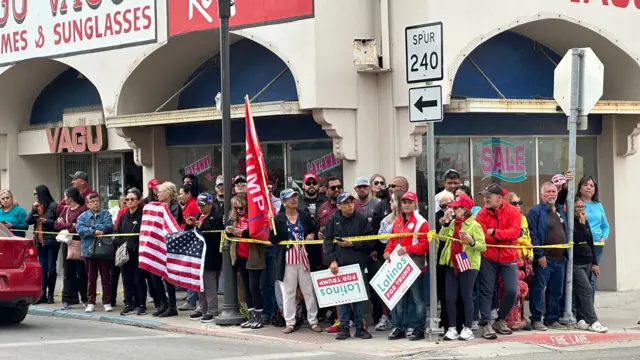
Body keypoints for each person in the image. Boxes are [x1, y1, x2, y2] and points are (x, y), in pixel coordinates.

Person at [270, 189, 322, 334]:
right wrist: (270, 225)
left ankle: (313, 321)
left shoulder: (304, 215)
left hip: (304, 257)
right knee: (288, 292)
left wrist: (311, 235)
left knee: (308, 291)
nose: (294, 200)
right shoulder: (278, 219)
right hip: (286, 259)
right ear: (283, 202)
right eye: (290, 198)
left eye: (295, 197)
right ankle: (290, 322)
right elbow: (273, 240)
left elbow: (313, 229)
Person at [323, 192, 374, 340]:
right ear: (338, 205)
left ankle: (360, 328)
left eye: (351, 202)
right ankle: (344, 327)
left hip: (358, 264)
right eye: (345, 203)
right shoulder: (333, 219)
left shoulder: (361, 218)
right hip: (341, 264)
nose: (349, 205)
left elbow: (370, 241)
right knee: (343, 299)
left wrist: (353, 243)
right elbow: (327, 241)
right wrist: (332, 260)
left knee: (359, 299)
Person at [474, 183, 522, 340]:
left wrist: (494, 232)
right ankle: (485, 323)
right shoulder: (481, 214)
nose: (486, 199)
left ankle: (500, 319)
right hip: (488, 257)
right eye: (485, 196)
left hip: (508, 257)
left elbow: (514, 233)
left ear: (500, 198)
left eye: (489, 196)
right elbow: (482, 236)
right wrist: (502, 236)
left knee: (512, 291)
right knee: (487, 290)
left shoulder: (513, 212)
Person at [438, 194, 486, 341]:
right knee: (450, 297)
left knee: (466, 296)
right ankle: (452, 327)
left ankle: (468, 327)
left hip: (468, 264)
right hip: (452, 263)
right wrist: (445, 223)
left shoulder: (475, 225)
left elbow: (482, 246)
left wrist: (471, 241)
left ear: (464, 209)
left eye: (456, 208)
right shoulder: (452, 223)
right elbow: (442, 238)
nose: (452, 210)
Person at [385, 192, 429, 341]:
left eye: (409, 202)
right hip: (399, 265)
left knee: (417, 299)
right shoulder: (398, 220)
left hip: (414, 265)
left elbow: (424, 246)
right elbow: (392, 240)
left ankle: (419, 328)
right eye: (404, 202)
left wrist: (408, 249)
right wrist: (387, 252)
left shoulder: (421, 222)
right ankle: (399, 327)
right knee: (398, 298)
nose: (406, 204)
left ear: (415, 204)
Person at [527, 182, 569, 331]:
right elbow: (532, 234)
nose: (551, 194)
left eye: (553, 191)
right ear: (541, 195)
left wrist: (565, 185)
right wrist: (540, 255)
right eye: (548, 192)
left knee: (556, 290)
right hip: (544, 259)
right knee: (538, 289)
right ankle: (536, 319)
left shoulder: (559, 210)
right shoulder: (535, 211)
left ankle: (551, 319)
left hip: (560, 259)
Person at [226, 194, 267, 329]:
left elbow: (254, 233)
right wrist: (229, 231)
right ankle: (251, 316)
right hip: (240, 256)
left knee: (254, 287)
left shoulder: (253, 218)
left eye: (241, 207)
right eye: (236, 207)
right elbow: (230, 234)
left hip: (253, 256)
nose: (238, 210)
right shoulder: (235, 218)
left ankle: (259, 317)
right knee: (246, 287)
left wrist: (239, 231)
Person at [186, 193, 224, 323]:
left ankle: (212, 310)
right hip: (199, 255)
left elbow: (216, 235)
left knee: (209, 283)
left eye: (203, 206)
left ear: (209, 204)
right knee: (200, 284)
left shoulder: (217, 217)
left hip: (211, 255)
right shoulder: (198, 215)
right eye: (198, 205)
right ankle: (202, 307)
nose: (200, 208)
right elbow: (191, 234)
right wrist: (189, 225)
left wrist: (203, 226)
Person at [118, 188, 156, 316]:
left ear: (138, 200)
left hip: (139, 253)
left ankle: (141, 304)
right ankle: (129, 304)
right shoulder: (123, 216)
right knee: (126, 280)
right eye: (127, 199)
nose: (129, 201)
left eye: (132, 199)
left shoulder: (144, 215)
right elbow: (118, 233)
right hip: (126, 254)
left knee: (139, 280)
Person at [572, 199, 608, 333]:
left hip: (587, 261)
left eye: (583, 207)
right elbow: (577, 239)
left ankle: (582, 319)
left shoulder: (585, 221)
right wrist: (581, 224)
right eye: (578, 207)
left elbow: (590, 241)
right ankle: (593, 321)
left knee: (582, 293)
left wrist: (595, 263)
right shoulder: (572, 222)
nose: (581, 209)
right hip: (576, 262)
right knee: (586, 290)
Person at [76, 193, 114, 313]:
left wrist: (93, 227)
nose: (95, 203)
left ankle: (107, 302)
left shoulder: (106, 213)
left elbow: (108, 226)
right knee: (91, 278)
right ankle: (90, 302)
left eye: (97, 201)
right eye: (92, 202)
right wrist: (94, 231)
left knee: (105, 278)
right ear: (87, 204)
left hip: (104, 250)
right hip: (89, 251)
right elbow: (80, 229)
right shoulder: (82, 216)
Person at [151, 181, 183, 317]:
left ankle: (172, 306)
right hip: (158, 244)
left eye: (161, 191)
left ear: (168, 193)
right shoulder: (157, 206)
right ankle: (163, 303)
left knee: (168, 277)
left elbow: (172, 224)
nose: (158, 194)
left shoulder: (175, 207)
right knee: (155, 275)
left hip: (169, 244)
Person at [503, 192, 533, 331]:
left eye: (519, 203)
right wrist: (522, 242)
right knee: (512, 290)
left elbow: (528, 238)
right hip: (511, 258)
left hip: (524, 258)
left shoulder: (524, 219)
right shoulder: (506, 218)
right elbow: (511, 237)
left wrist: (529, 253)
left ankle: (520, 317)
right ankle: (510, 319)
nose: (518, 206)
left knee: (522, 290)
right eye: (514, 203)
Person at [576, 176, 609, 299]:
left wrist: (603, 238)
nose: (589, 187)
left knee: (592, 279)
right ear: (580, 188)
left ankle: (590, 310)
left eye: (591, 185)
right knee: (581, 280)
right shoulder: (577, 204)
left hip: (597, 246)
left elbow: (606, 226)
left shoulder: (598, 205)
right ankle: (579, 310)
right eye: (585, 185)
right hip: (582, 246)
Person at [56, 187, 89, 310]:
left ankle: (85, 298)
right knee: (68, 273)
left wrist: (67, 226)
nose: (64, 199)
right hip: (66, 244)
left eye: (65, 196)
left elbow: (80, 227)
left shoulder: (83, 210)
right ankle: (66, 299)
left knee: (81, 272)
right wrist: (69, 225)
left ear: (71, 197)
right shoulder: (65, 210)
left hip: (79, 243)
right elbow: (57, 224)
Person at [28, 185, 59, 304]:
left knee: (51, 268)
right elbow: (28, 221)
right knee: (43, 268)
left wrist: (47, 221)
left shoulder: (53, 206)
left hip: (51, 240)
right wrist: (33, 209)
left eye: (36, 194)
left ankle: (51, 294)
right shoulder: (37, 207)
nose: (35, 196)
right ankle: (42, 293)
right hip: (39, 241)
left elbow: (58, 223)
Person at [179, 182, 201, 312]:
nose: (180, 196)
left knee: (192, 271)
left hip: (192, 242)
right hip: (191, 241)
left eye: (182, 193)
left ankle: (192, 299)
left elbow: (185, 223)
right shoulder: (189, 204)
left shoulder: (192, 206)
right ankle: (191, 297)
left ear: (188, 194)